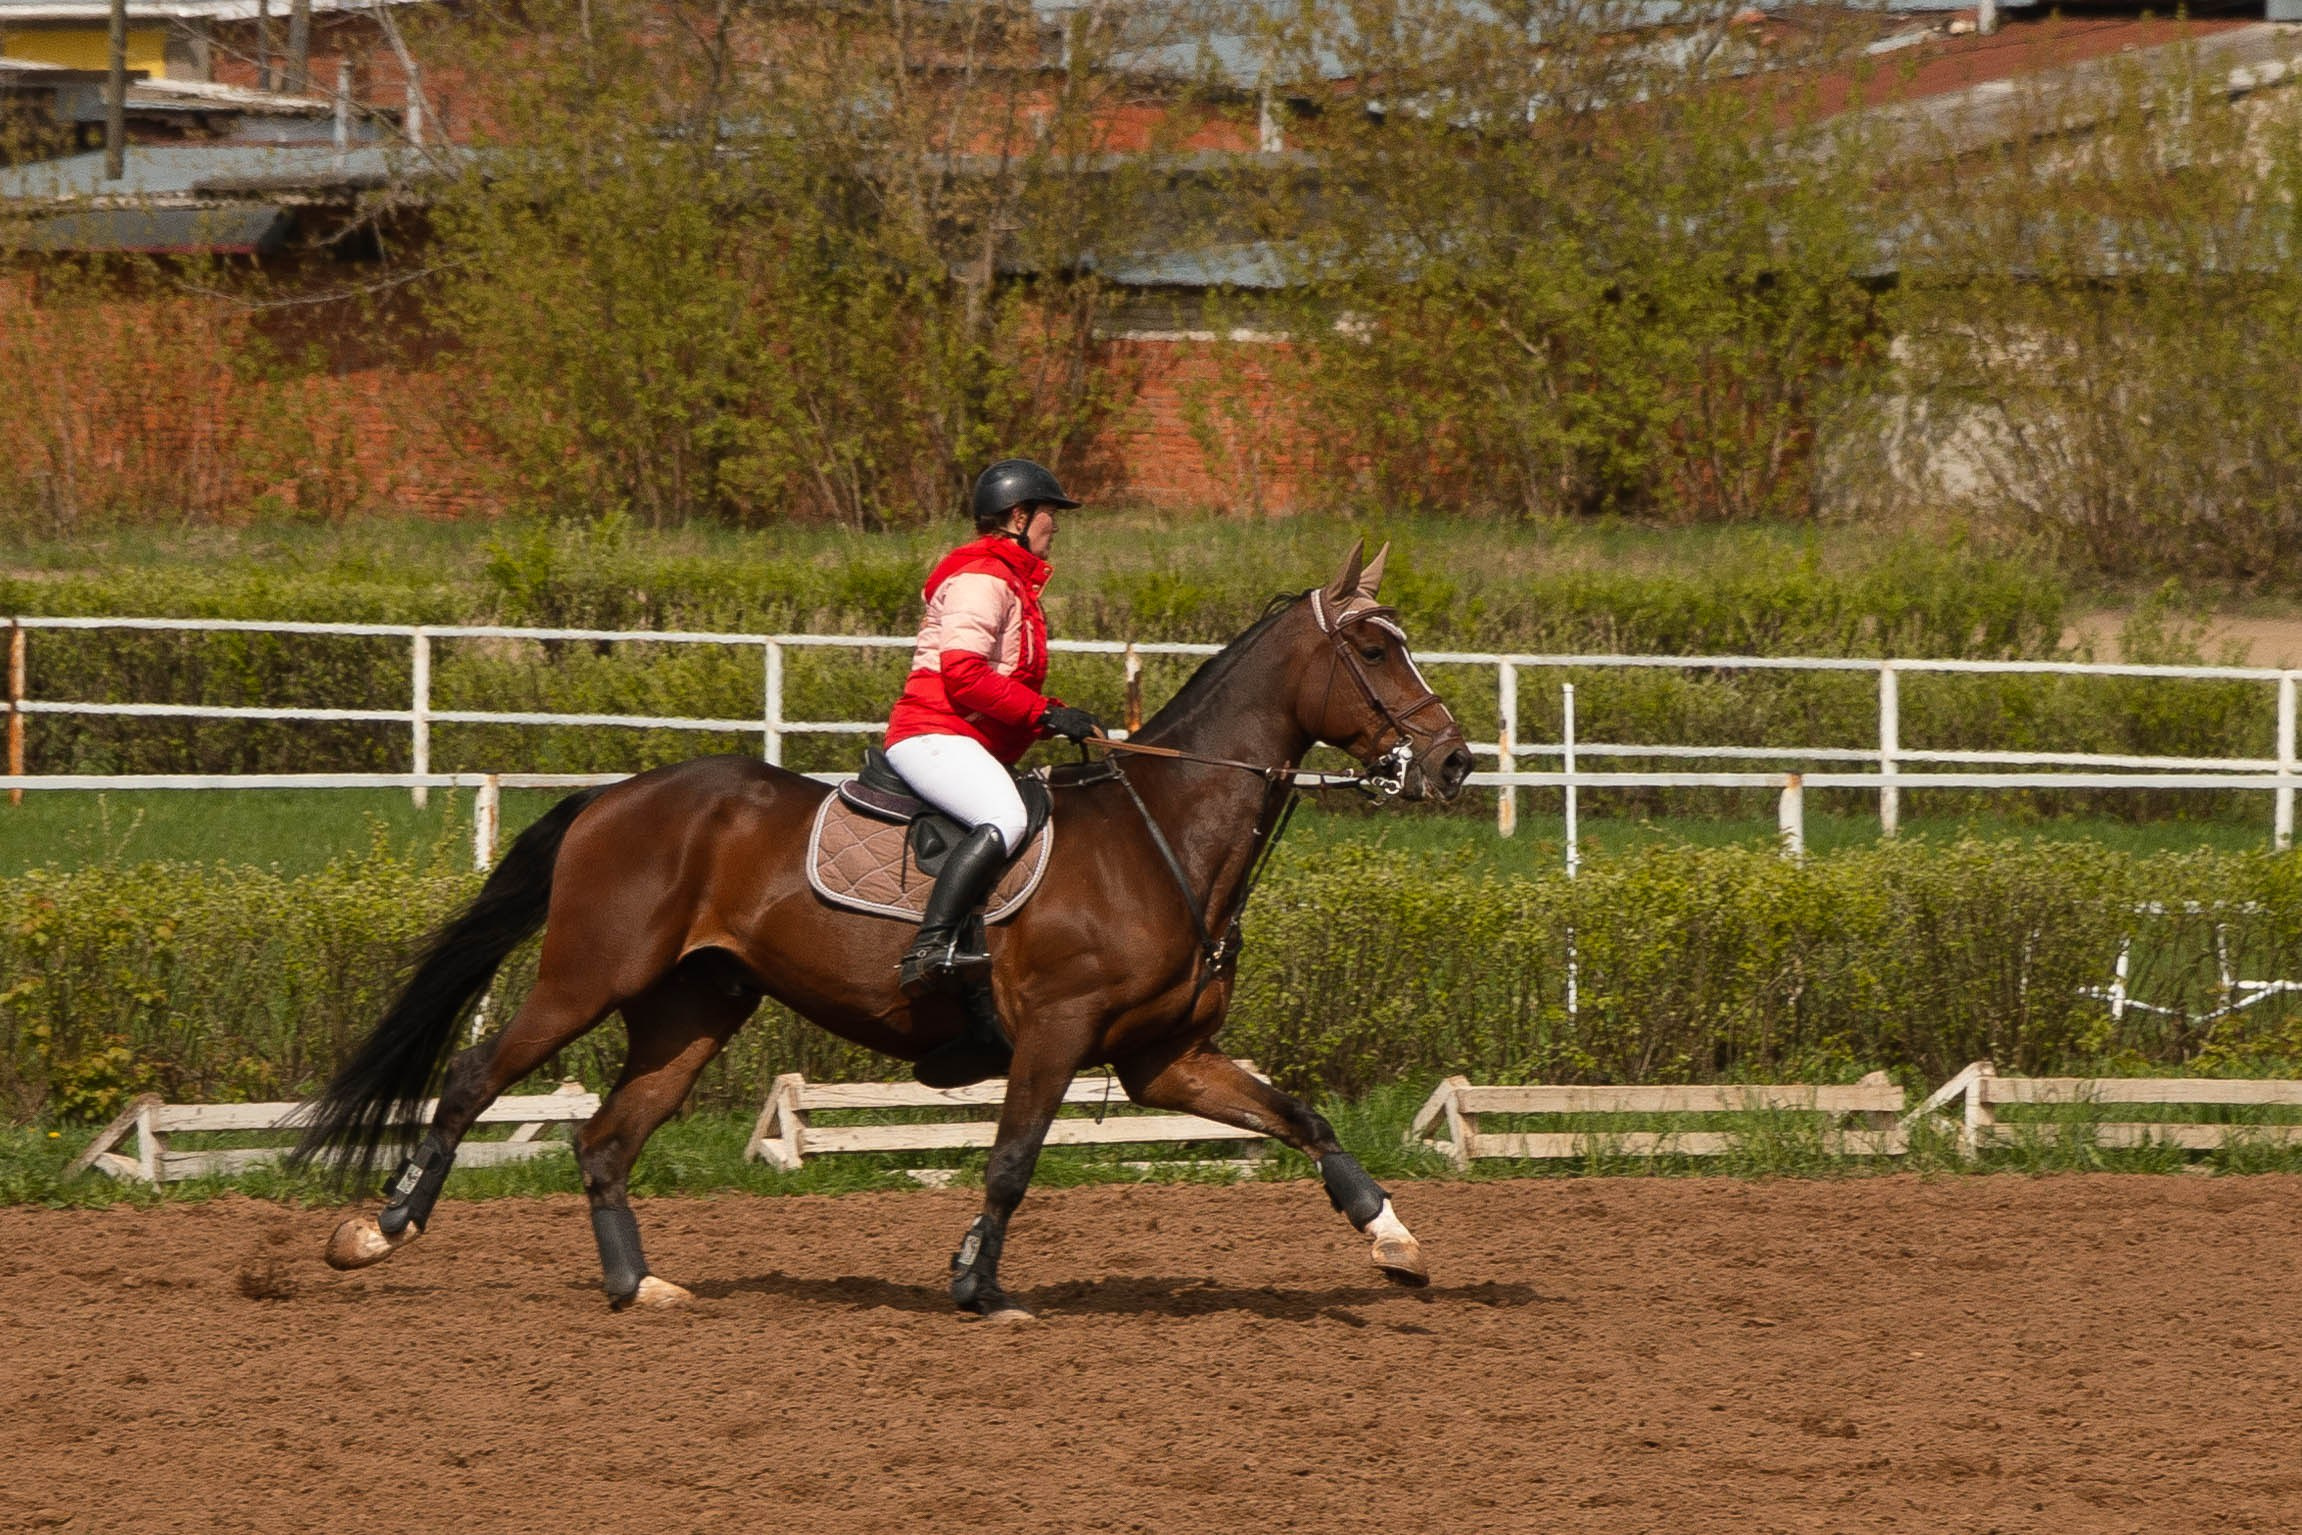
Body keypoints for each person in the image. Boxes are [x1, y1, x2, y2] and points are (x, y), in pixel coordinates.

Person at [884, 458, 1102, 1038]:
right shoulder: (983, 578)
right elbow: (962, 673)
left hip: (965, 739)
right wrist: (1045, 713)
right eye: (1049, 513)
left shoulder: (1013, 581)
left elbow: (1005, 680)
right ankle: (929, 947)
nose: (1056, 525)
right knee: (1004, 817)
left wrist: (1055, 718)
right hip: (932, 734)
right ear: (1018, 517)